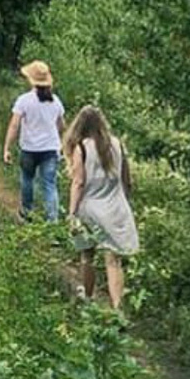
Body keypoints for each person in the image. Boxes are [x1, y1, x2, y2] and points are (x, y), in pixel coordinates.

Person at [64, 105, 139, 310]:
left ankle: (88, 299)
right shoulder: (116, 144)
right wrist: (126, 202)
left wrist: (71, 213)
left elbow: (78, 183)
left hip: (89, 210)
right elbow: (127, 180)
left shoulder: (81, 148)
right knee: (113, 261)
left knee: (87, 256)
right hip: (115, 209)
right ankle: (117, 308)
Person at [3, 60, 66, 221]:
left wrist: (7, 148)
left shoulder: (24, 100)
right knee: (49, 185)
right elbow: (62, 126)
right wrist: (62, 144)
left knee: (27, 179)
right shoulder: (55, 101)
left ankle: (27, 213)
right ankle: (53, 221)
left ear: (31, 80)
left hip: (29, 148)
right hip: (51, 149)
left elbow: (14, 125)